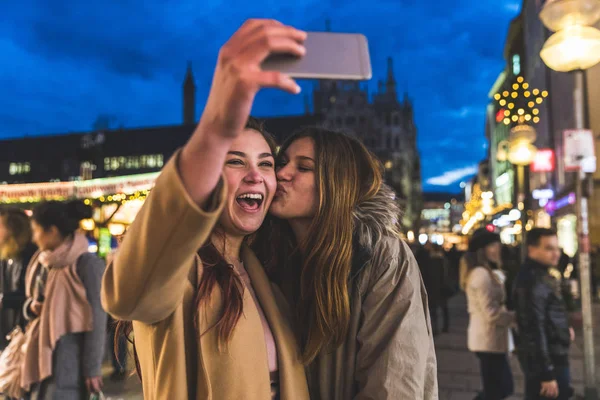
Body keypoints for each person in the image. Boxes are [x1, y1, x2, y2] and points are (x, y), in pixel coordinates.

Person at [101, 19, 310, 400]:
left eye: (266, 163)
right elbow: (128, 294)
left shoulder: (262, 272)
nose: (255, 175)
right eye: (235, 162)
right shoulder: (179, 270)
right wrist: (215, 129)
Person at [257, 127, 438, 399]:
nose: (282, 174)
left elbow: (393, 385)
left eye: (304, 168)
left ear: (337, 183)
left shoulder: (381, 255)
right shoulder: (269, 258)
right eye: (282, 163)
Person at [21, 200, 107, 400]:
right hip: (39, 355)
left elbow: (97, 319)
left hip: (70, 364)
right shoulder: (43, 262)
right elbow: (31, 301)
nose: (34, 238)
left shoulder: (87, 264)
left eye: (36, 231)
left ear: (51, 231)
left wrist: (92, 368)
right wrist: (30, 307)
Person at [513, 228, 575, 400]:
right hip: (550, 360)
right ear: (532, 249)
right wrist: (546, 374)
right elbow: (533, 329)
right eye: (549, 248)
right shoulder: (533, 280)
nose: (556, 253)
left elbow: (547, 315)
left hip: (552, 354)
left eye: (557, 248)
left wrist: (565, 327)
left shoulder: (541, 274)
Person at [463, 228, 515, 400]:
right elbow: (491, 313)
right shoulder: (481, 275)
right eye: (492, 245)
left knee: (497, 389)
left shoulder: (488, 272)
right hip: (488, 340)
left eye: (498, 244)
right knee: (500, 389)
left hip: (491, 340)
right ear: (482, 250)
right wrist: (515, 317)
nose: (497, 248)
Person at [0, 207, 37, 349]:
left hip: (24, 336)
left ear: (13, 230)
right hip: (7, 336)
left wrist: (3, 300)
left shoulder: (31, 256)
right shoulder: (6, 256)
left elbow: (31, 296)